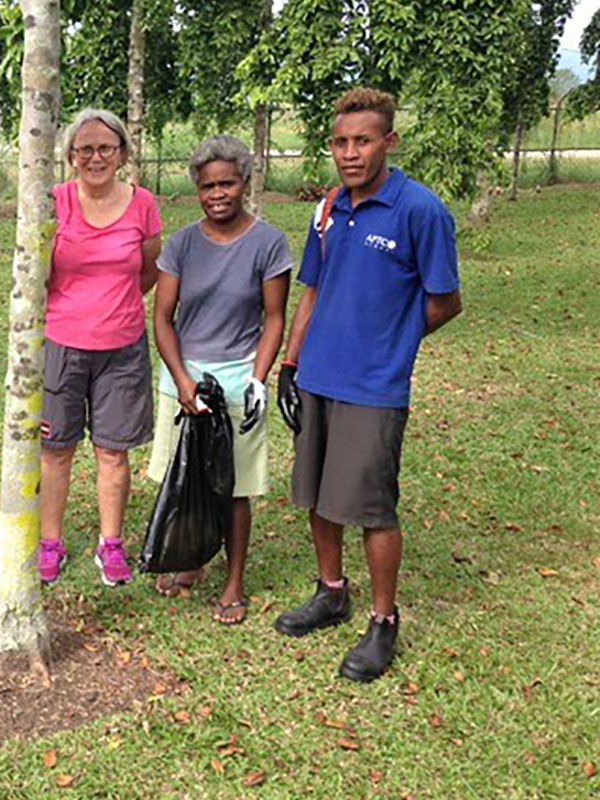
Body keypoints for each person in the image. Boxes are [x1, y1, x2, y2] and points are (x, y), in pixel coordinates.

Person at [273, 88, 462, 682]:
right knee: (317, 494)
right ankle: (332, 592)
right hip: (318, 377)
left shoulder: (419, 211)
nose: (350, 153)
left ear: (388, 141)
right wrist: (290, 361)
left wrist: (392, 344)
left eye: (363, 141)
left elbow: (445, 301)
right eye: (340, 142)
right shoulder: (329, 207)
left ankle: (383, 620)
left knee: (373, 507)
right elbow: (311, 288)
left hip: (375, 387)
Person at [148, 135, 291, 623]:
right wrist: (182, 379)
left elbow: (274, 317)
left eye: (227, 183)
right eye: (208, 185)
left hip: (237, 380)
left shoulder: (268, 243)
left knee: (234, 488)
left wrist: (258, 378)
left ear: (244, 182)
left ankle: (233, 581)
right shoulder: (182, 243)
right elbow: (163, 318)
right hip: (183, 379)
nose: (217, 194)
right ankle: (190, 560)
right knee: (185, 475)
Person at [38, 108, 163, 587]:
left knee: (113, 452)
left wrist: (114, 310)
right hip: (61, 344)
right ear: (70, 157)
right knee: (56, 449)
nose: (95, 157)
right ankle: (51, 541)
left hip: (123, 348)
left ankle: (111, 545)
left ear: (122, 154)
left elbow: (147, 271)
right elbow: (38, 271)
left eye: (105, 148)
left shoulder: (143, 204)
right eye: (85, 149)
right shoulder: (55, 202)